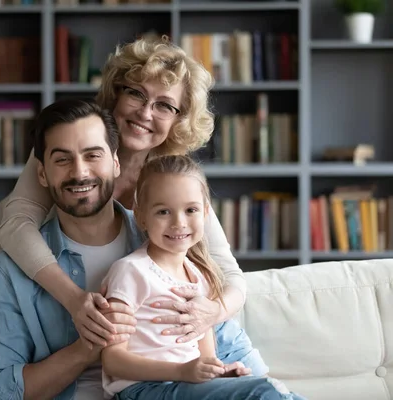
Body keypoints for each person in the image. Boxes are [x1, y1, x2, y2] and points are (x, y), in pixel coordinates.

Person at [0, 34, 248, 353]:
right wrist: (73, 299)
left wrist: (213, 312)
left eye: (164, 105)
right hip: (13, 264)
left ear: (179, 119)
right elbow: (14, 227)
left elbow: (229, 273)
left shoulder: (170, 177)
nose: (146, 113)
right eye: (136, 93)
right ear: (115, 94)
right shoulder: (74, 142)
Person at [0, 98, 146, 400]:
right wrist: (84, 350)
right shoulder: (8, 273)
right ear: (42, 174)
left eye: (93, 155)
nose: (80, 173)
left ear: (116, 163)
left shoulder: (160, 244)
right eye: (63, 159)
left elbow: (223, 349)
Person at [101, 155, 306, 400]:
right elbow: (112, 360)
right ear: (141, 215)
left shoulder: (199, 276)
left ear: (206, 213)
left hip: (187, 387)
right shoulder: (131, 271)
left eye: (191, 210)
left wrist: (220, 377)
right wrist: (182, 371)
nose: (179, 222)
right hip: (144, 390)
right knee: (264, 392)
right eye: (163, 211)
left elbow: (205, 360)